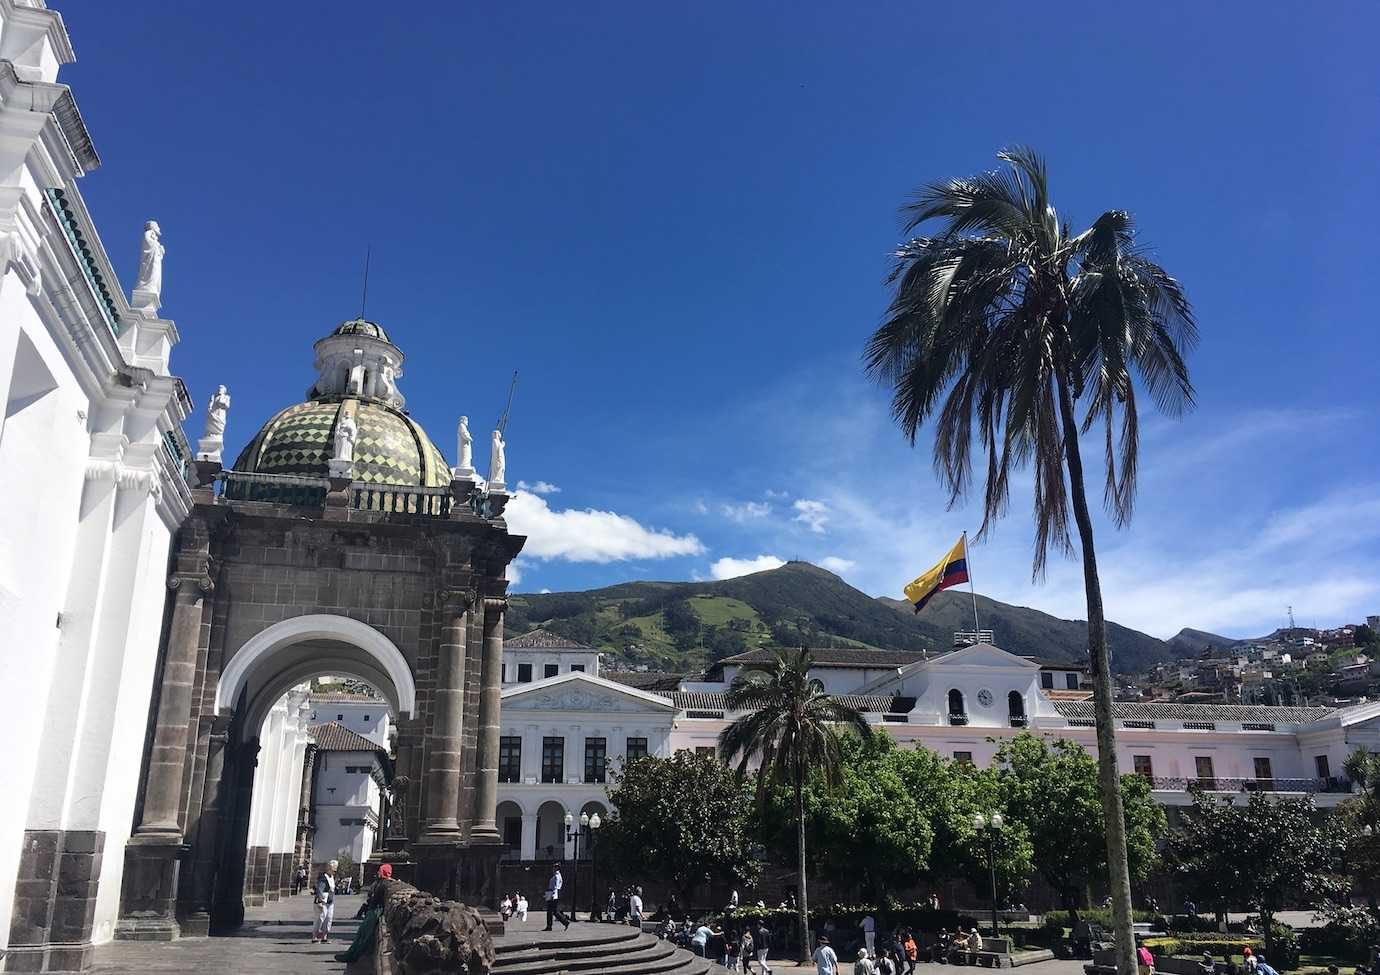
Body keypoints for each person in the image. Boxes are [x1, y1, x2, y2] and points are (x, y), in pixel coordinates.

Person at [334, 864, 392, 963]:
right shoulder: (381, 883)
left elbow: (376, 898)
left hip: (375, 911)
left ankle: (352, 956)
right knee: (361, 934)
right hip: (373, 910)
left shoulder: (384, 884)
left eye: (380, 871)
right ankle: (351, 954)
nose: (378, 873)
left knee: (364, 936)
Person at [311, 859, 337, 943]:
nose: (334, 872)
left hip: (330, 901)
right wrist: (319, 901)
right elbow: (319, 889)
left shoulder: (332, 877)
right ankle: (314, 936)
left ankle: (324, 936)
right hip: (323, 901)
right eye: (333, 870)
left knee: (328, 919)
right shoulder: (323, 878)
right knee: (320, 918)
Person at [543, 864, 570, 931]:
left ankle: (549, 926)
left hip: (553, 894)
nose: (553, 868)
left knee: (550, 911)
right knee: (554, 911)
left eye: (554, 867)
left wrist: (552, 895)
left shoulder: (557, 876)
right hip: (552, 893)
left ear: (557, 868)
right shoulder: (556, 876)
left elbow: (556, 887)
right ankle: (565, 922)